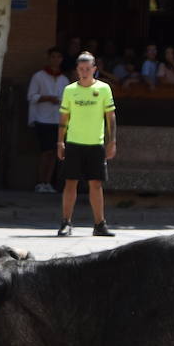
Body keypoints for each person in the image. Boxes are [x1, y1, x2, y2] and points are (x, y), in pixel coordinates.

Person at [55, 52, 116, 238]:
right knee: (70, 183)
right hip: (74, 142)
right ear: (77, 70)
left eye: (88, 69)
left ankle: (100, 224)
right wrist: (60, 141)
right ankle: (66, 223)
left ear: (94, 69)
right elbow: (64, 117)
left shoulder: (104, 89)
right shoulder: (70, 90)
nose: (84, 72)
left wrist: (111, 141)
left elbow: (110, 116)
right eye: (81, 69)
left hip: (95, 143)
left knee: (96, 184)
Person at [27, 46, 69, 193]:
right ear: (48, 58)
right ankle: (40, 182)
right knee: (45, 152)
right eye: (53, 57)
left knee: (54, 152)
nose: (55, 60)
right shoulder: (39, 76)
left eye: (58, 57)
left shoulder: (64, 79)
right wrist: (46, 98)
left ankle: (48, 182)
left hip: (57, 120)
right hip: (42, 118)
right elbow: (31, 96)